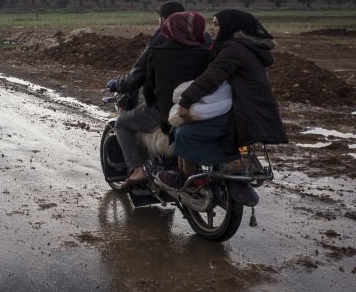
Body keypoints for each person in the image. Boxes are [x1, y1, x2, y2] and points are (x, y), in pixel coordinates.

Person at [156, 10, 288, 200]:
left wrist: (186, 101)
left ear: (232, 27)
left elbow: (212, 77)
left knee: (183, 132)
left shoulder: (235, 49)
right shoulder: (244, 48)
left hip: (241, 114)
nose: (212, 28)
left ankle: (188, 178)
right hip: (247, 111)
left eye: (217, 24)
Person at [114, 11, 212, 192]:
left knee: (121, 123)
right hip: (204, 111)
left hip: (166, 113)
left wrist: (151, 103)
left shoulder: (158, 52)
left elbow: (148, 87)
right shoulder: (208, 53)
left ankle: (137, 169)